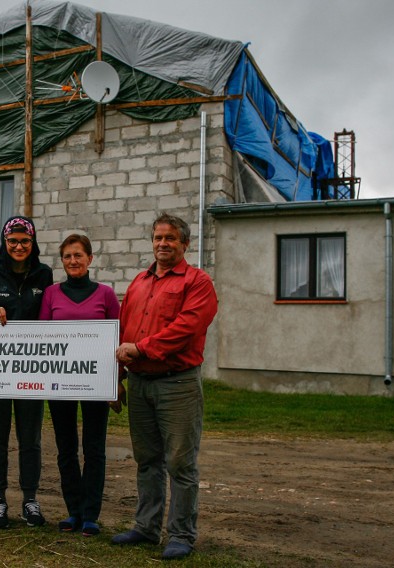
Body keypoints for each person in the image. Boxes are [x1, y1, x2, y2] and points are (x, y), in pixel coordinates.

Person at [111, 213, 218, 560]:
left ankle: (182, 534)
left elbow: (187, 327)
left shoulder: (197, 282)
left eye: (170, 238)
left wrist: (141, 349)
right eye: (158, 238)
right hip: (140, 383)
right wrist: (119, 378)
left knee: (180, 463)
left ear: (184, 243)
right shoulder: (140, 283)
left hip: (178, 384)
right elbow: (125, 330)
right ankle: (146, 527)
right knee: (147, 460)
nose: (162, 244)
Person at [0, 215, 53, 529]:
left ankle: (30, 500)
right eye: (13, 241)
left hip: (31, 369)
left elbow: (49, 315)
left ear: (33, 244)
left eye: (25, 241)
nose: (19, 246)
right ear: (4, 243)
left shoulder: (43, 274)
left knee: (30, 438)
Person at [39, 234, 120, 537]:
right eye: (67, 257)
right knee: (66, 448)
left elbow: (117, 340)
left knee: (94, 448)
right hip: (60, 381)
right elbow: (42, 339)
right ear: (62, 261)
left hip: (95, 382)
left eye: (78, 255)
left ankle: (90, 514)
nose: (73, 261)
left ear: (90, 259)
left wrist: (116, 382)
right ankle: (72, 510)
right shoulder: (51, 294)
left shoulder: (106, 294)